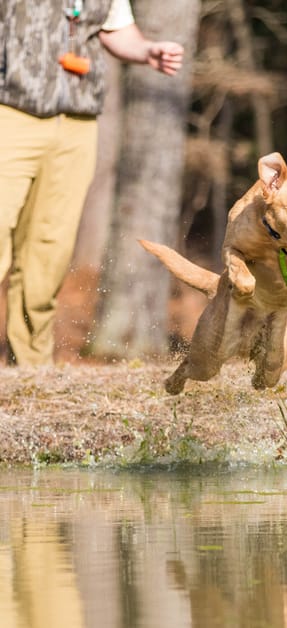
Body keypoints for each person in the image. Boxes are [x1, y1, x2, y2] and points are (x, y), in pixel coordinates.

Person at [0, 0, 184, 366]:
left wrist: (147, 50)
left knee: (48, 254)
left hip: (76, 124)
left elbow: (116, 29)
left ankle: (31, 371)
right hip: (10, 112)